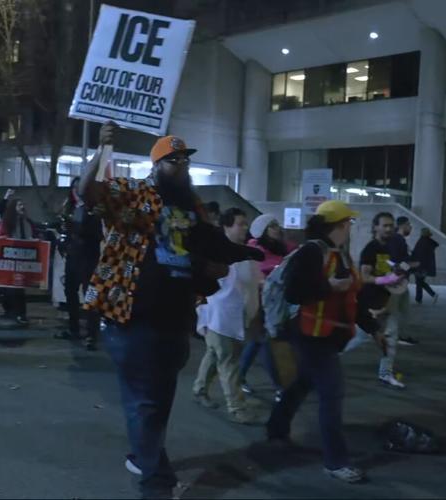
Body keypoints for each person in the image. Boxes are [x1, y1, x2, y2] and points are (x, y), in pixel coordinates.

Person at [79, 122, 263, 499]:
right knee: (145, 403)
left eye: (184, 160)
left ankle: (141, 454)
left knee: (157, 403)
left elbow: (210, 246)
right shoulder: (134, 194)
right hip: (131, 317)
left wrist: (248, 253)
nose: (182, 166)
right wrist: (101, 150)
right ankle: (156, 485)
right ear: (157, 165)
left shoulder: (192, 208)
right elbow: (89, 192)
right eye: (173, 160)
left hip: (177, 320)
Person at [266, 201, 366, 484]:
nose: (350, 229)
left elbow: (352, 299)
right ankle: (336, 461)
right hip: (311, 336)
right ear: (338, 225)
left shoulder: (340, 254)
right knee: (332, 395)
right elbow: (295, 292)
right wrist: (329, 287)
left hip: (327, 336)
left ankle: (276, 428)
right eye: (348, 223)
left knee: (303, 383)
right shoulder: (312, 251)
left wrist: (373, 327)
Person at [192, 208, 263, 424]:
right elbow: (204, 289)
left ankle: (199, 389)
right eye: (240, 224)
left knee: (216, 355)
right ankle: (237, 407)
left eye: (245, 224)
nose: (244, 228)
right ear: (226, 227)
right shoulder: (217, 255)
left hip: (236, 317)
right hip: (220, 318)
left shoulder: (244, 254)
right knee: (229, 363)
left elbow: (253, 282)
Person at [239, 213, 294, 400]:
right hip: (260, 302)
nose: (277, 229)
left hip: (277, 303)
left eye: (277, 225)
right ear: (262, 230)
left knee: (257, 343)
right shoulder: (254, 247)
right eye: (272, 226)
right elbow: (254, 276)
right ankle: (280, 386)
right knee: (266, 343)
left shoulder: (282, 248)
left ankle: (238, 377)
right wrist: (270, 281)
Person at [360, 212, 409, 388]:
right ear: (375, 227)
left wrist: (398, 274)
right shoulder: (370, 249)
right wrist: (383, 280)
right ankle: (319, 364)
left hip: (388, 298)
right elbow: (364, 277)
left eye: (391, 225)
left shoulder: (391, 247)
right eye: (385, 225)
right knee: (355, 338)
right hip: (370, 301)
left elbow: (396, 267)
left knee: (391, 336)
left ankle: (385, 373)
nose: (389, 229)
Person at [57, 177, 103, 350]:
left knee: (90, 295)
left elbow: (97, 233)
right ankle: (73, 327)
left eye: (80, 187)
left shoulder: (93, 208)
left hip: (88, 257)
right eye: (75, 187)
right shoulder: (69, 206)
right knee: (70, 292)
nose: (77, 190)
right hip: (73, 255)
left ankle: (92, 334)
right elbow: (63, 229)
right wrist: (64, 242)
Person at [0, 197, 39, 325]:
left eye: (23, 204)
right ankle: (13, 311)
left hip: (23, 259)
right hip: (10, 258)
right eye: (19, 204)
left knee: (19, 287)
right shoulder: (7, 222)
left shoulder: (27, 222)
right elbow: (0, 237)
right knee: (11, 287)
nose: (22, 207)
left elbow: (31, 236)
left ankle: (20, 313)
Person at [388, 216, 420, 346]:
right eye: (409, 225)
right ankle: (394, 335)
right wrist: (411, 266)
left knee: (402, 310)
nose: (411, 228)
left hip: (400, 280)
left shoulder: (399, 240)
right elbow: (395, 262)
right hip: (397, 281)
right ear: (403, 225)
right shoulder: (398, 240)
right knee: (396, 310)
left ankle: (400, 335)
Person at [411, 227, 439, 305]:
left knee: (419, 282)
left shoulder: (423, 241)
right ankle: (431, 295)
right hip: (424, 266)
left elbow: (418, 254)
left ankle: (420, 299)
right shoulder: (429, 242)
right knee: (420, 282)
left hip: (420, 266)